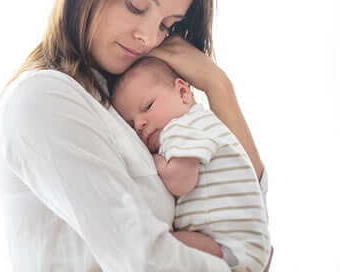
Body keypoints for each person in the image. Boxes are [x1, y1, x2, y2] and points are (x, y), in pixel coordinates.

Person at [0, 0, 271, 271]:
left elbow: (242, 214)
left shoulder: (132, 112)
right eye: (137, 6)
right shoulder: (43, 99)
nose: (148, 38)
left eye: (166, 26)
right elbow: (141, 260)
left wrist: (220, 88)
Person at [111, 56, 271, 271]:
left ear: (183, 93)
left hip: (232, 247)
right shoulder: (197, 124)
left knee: (160, 246)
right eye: (131, 124)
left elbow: (180, 181)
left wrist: (158, 162)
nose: (140, 124)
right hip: (245, 248)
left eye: (148, 106)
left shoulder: (183, 127)